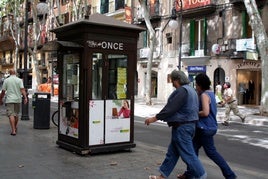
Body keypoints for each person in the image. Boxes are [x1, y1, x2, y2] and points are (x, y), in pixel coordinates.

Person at [145, 70, 207, 179]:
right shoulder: (192, 90)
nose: (172, 83)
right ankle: (162, 176)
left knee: (188, 154)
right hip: (189, 126)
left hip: (182, 127)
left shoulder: (181, 91)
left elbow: (170, 109)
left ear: (177, 80)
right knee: (172, 153)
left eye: (173, 80)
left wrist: (153, 119)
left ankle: (201, 175)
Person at [178, 73, 237, 179]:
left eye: (196, 85)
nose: (196, 87)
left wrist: (193, 113)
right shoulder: (211, 93)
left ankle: (230, 175)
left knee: (209, 152)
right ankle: (190, 173)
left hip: (204, 128)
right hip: (208, 127)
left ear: (200, 85)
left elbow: (205, 112)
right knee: (193, 151)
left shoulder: (204, 95)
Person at [0, 69, 28, 136]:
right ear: (15, 73)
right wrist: (25, 97)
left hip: (10, 99)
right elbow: (22, 89)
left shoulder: (6, 80)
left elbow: (3, 91)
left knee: (11, 115)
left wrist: (0, 99)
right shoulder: (19, 80)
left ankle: (13, 131)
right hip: (17, 99)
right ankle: (15, 127)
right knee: (16, 114)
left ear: (9, 73)